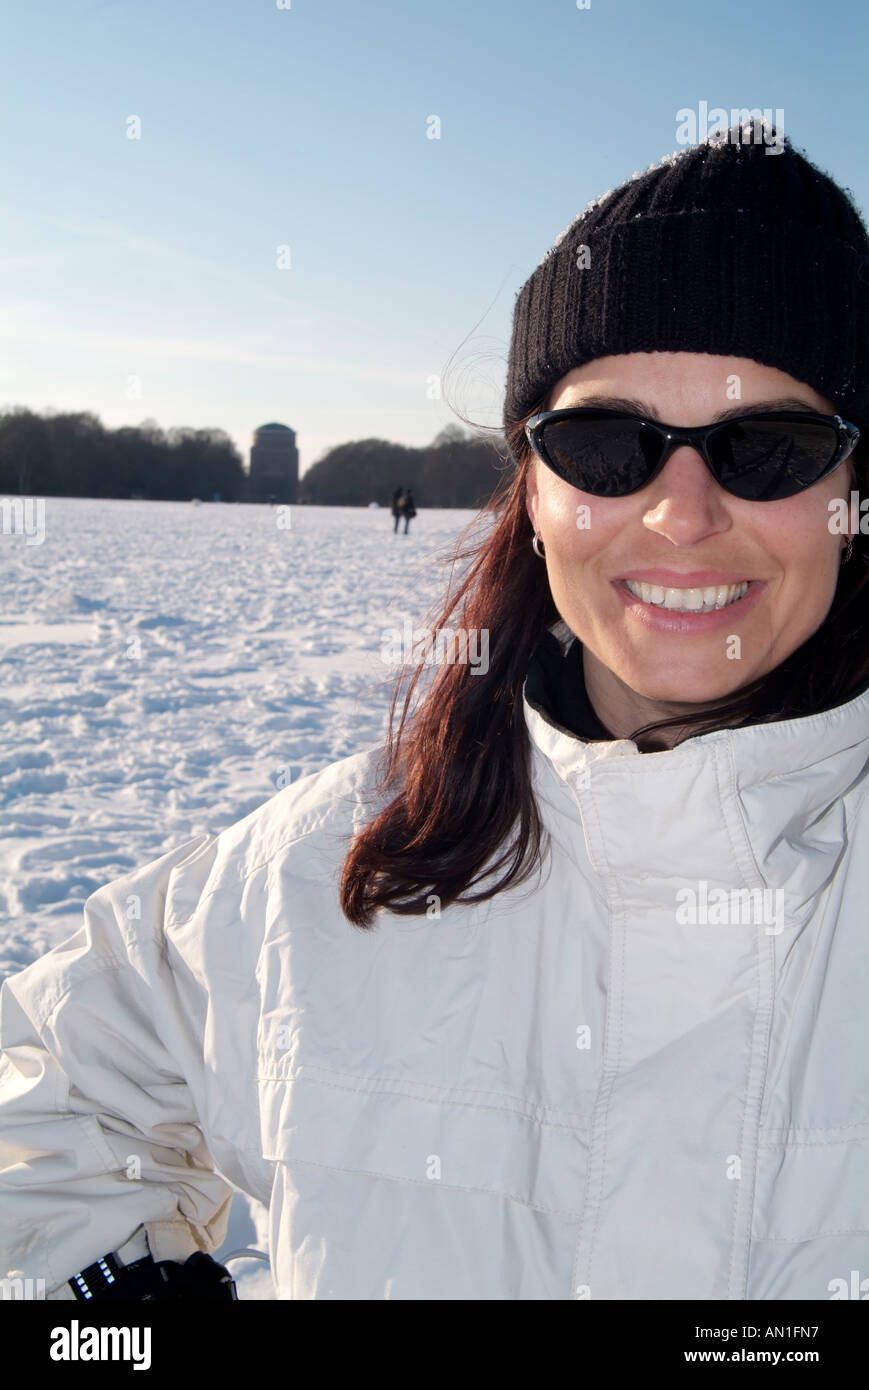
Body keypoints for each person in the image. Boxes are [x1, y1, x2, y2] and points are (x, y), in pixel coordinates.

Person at [2, 122, 869, 1302]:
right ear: (534, 484)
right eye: (605, 442)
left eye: (765, 446)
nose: (679, 513)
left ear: (850, 490)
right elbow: (45, 1094)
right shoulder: (328, 868)